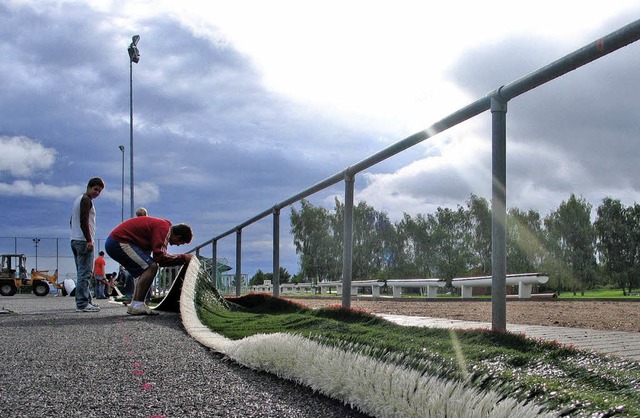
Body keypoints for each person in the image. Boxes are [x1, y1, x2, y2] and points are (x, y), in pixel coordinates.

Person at [105, 216, 193, 315]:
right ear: (178, 237)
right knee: (151, 267)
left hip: (115, 242)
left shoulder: (161, 227)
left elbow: (158, 258)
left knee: (145, 271)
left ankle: (135, 305)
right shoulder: (164, 229)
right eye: (180, 243)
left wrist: (180, 259)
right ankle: (137, 305)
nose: (176, 245)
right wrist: (183, 258)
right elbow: (160, 257)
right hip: (119, 241)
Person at [70, 177, 104, 312]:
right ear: (89, 187)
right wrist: (89, 240)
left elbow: (71, 220)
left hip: (74, 239)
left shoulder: (78, 200)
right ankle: (82, 303)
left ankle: (86, 300)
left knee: (81, 272)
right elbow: (84, 221)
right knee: (85, 273)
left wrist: (74, 235)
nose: (97, 193)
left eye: (100, 191)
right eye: (95, 189)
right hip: (83, 241)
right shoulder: (86, 200)